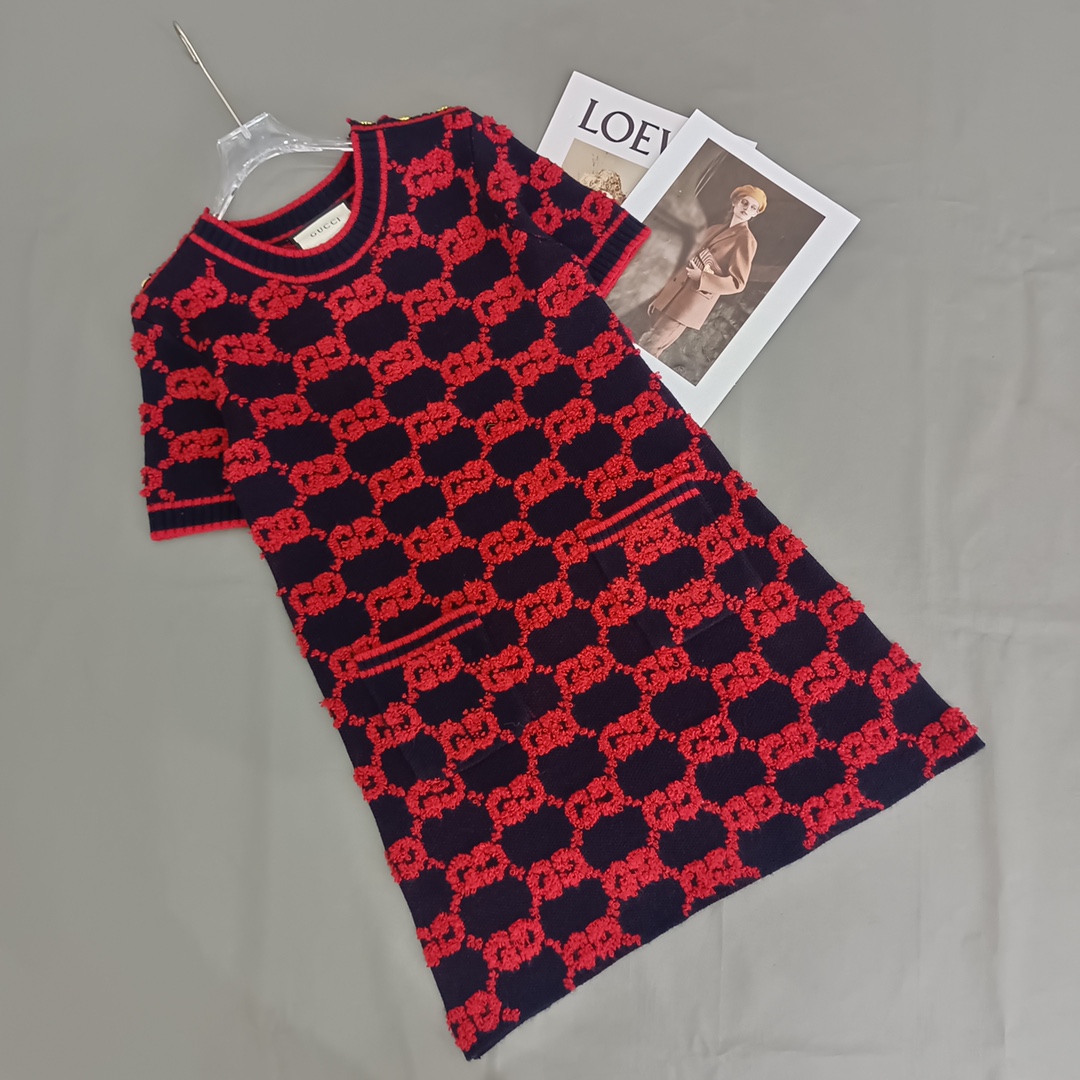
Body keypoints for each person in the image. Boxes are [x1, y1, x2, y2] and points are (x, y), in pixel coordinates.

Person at [638, 184, 767, 357]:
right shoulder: (714, 229)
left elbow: (737, 283)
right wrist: (661, 294)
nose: (747, 208)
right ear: (735, 202)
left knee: (651, 346)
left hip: (689, 303)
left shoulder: (746, 240)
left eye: (753, 207)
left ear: (755, 214)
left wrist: (702, 278)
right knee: (648, 344)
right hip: (672, 293)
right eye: (744, 202)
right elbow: (685, 262)